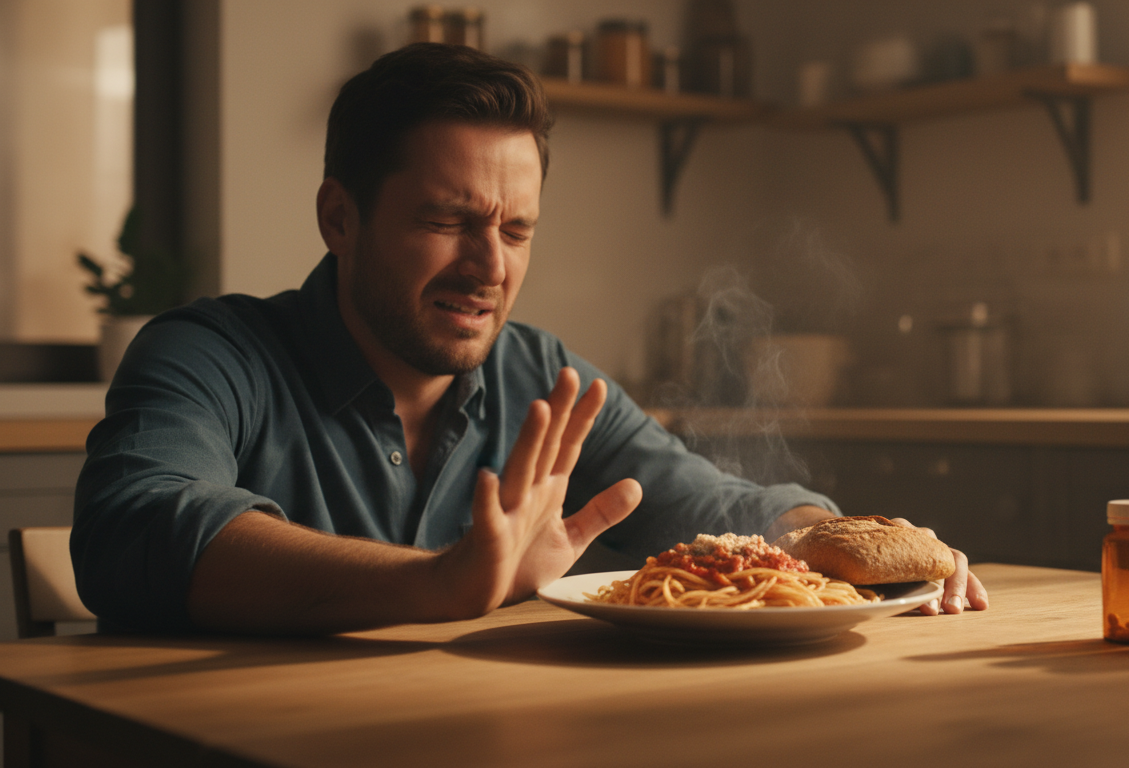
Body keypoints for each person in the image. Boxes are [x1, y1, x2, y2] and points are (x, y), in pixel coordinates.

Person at [72, 44, 986, 635]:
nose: (488, 267)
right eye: (447, 221)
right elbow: (136, 529)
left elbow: (703, 499)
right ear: (338, 218)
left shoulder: (542, 375)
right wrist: (441, 582)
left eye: (515, 232)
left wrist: (841, 541)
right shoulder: (210, 354)